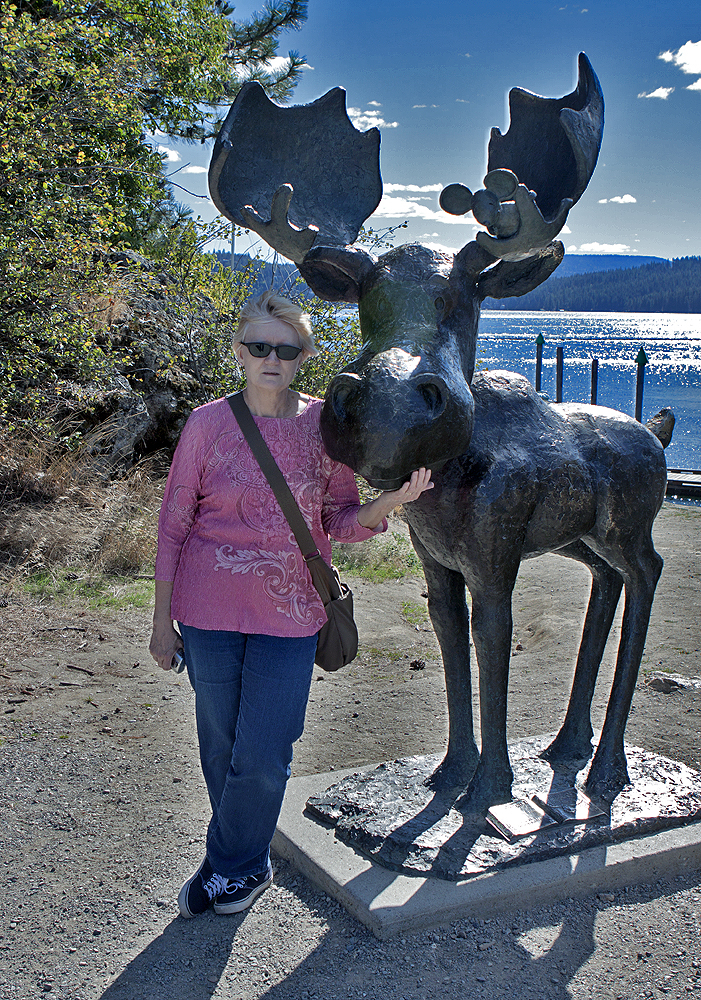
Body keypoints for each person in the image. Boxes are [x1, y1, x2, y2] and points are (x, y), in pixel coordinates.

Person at [149, 289, 433, 919]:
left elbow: (337, 518)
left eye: (286, 349)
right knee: (221, 747)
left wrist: (391, 502)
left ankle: (224, 868)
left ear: (303, 357)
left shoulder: (321, 430)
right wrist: (161, 621)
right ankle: (246, 865)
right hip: (207, 613)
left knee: (265, 750)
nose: (271, 358)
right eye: (259, 346)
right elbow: (173, 525)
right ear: (240, 351)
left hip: (292, 614)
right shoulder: (206, 425)